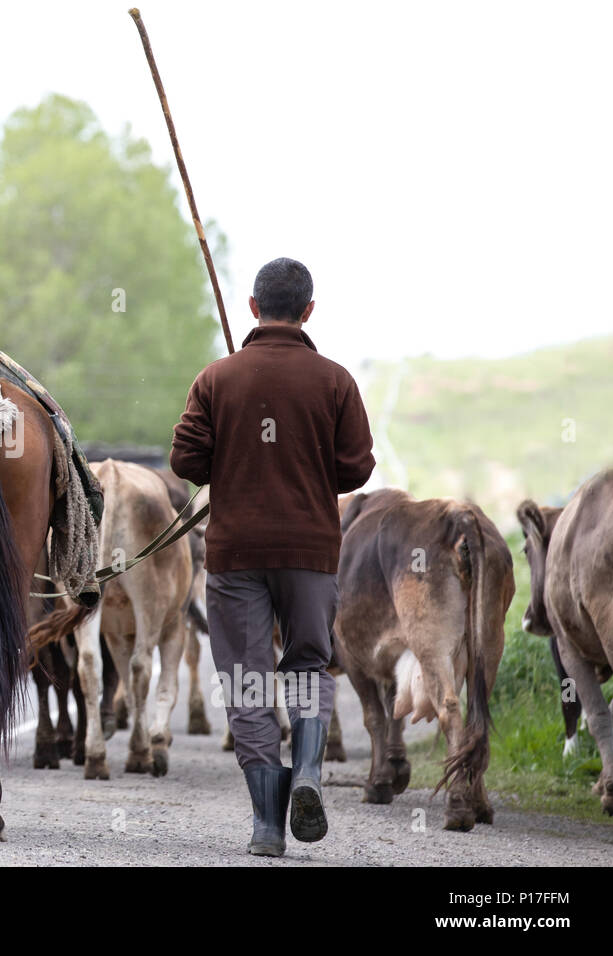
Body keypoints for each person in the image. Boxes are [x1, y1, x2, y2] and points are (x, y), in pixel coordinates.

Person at [169, 257, 375, 856]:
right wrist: (306, 466)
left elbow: (186, 461)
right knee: (309, 665)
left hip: (235, 555)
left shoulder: (215, 379)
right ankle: (308, 771)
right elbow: (357, 467)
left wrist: (233, 452)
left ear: (253, 309)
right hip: (310, 550)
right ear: (308, 311)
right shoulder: (336, 381)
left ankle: (266, 826)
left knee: (246, 680)